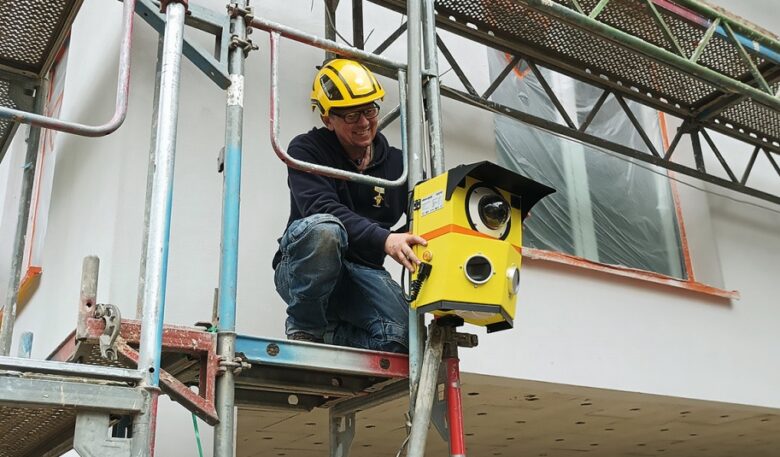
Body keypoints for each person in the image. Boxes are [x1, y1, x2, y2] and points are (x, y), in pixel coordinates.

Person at [272, 59, 427, 354]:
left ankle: (329, 333)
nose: (364, 122)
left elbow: (425, 212)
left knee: (403, 339)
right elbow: (322, 206)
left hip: (362, 273)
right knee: (326, 230)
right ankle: (306, 328)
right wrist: (384, 239)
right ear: (328, 119)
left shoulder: (399, 164)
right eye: (352, 115)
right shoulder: (306, 150)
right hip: (305, 268)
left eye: (369, 110)